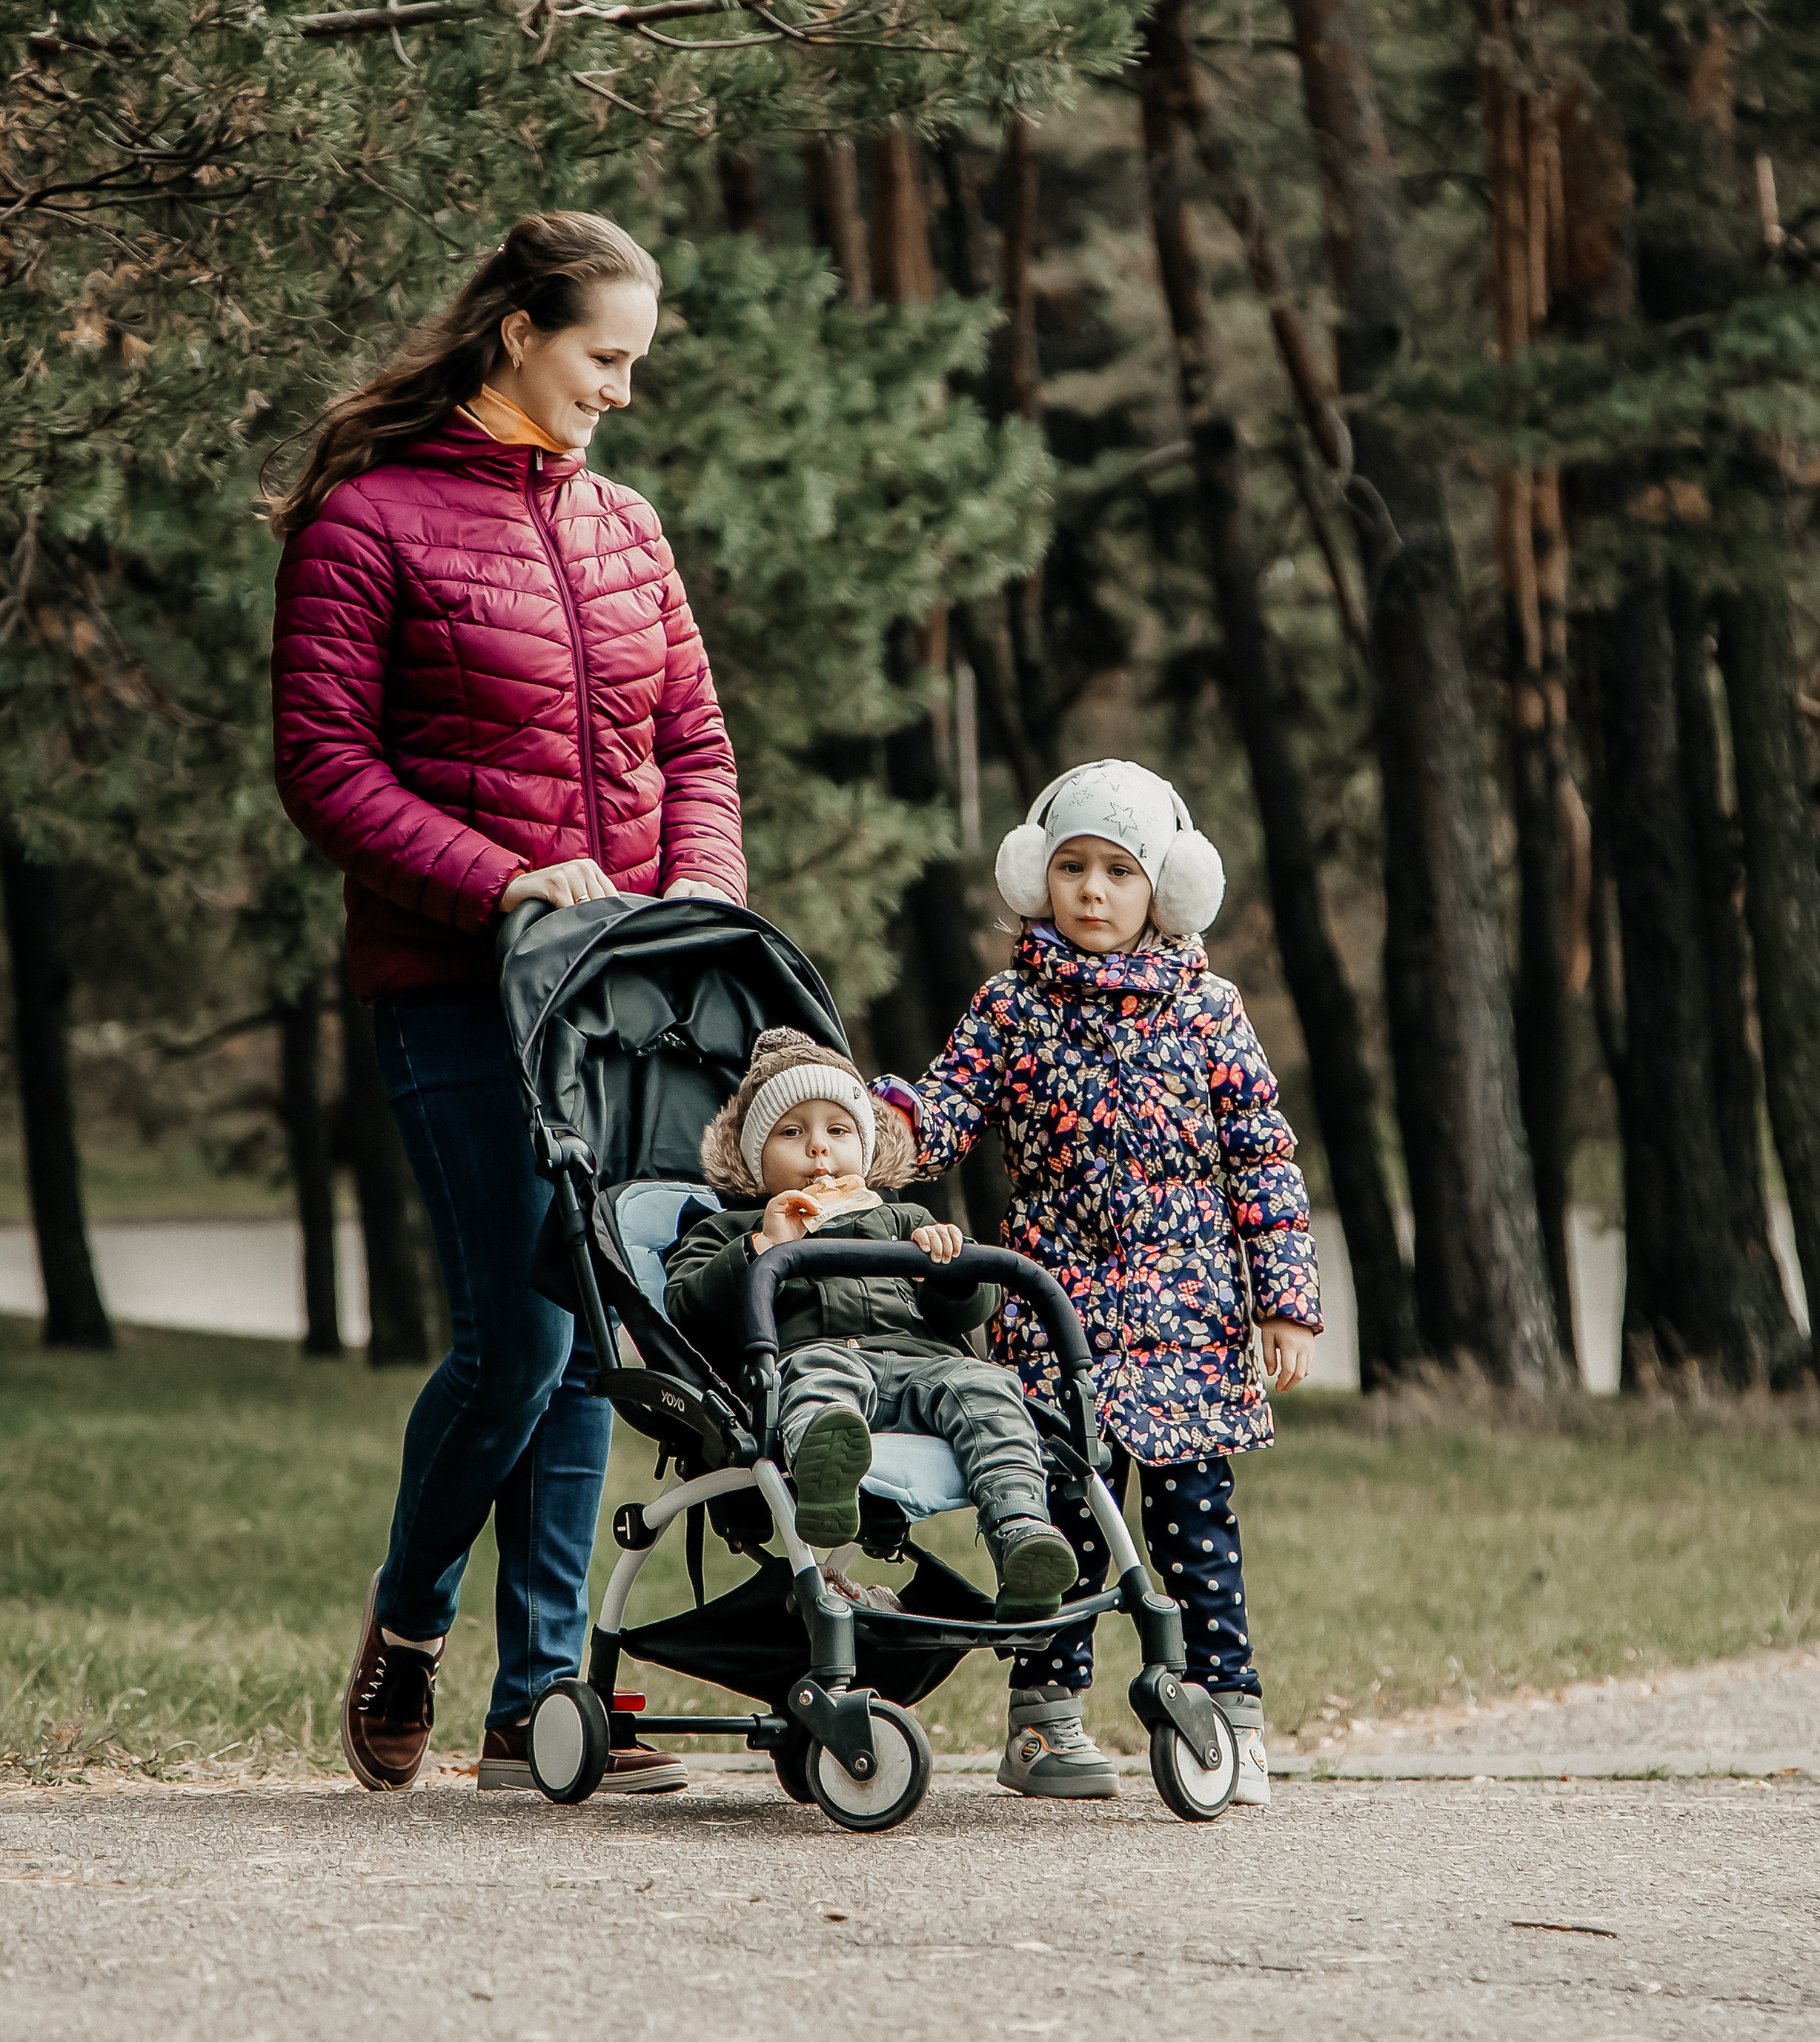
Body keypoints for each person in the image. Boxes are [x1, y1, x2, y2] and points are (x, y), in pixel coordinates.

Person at [270, 209, 746, 1797]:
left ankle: (542, 1704)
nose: (621, 390)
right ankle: (410, 1624)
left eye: (634, 363)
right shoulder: (368, 522)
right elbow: (327, 767)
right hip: (457, 989)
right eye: (602, 358)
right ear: (516, 334)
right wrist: (499, 880)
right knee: (520, 1340)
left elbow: (694, 748)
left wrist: (702, 900)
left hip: (619, 1005)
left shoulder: (625, 529)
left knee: (594, 1326)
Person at [873, 760, 1321, 1806]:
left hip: (1190, 1320)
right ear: (1037, 875)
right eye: (1071, 866)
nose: (1091, 892)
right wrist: (882, 1128)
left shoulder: (1209, 1011)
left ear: (1163, 890)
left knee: (1193, 1529)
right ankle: (1043, 1721)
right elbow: (945, 1112)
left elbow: (1263, 1160)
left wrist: (1284, 1301)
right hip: (1056, 1310)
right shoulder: (1010, 1009)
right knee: (1059, 1524)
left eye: (1118, 872)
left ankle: (1230, 1716)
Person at [665, 1030, 1080, 1620]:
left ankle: (1021, 1531)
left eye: (838, 1131)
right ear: (754, 1159)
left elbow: (970, 1311)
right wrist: (762, 1245)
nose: (818, 1152)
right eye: (791, 1133)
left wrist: (947, 1270)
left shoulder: (903, 1219)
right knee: (815, 1374)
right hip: (820, 1358)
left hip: (923, 1369)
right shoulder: (729, 1229)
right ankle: (823, 1477)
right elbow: (685, 1310)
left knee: (987, 1386)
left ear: (864, 1145)